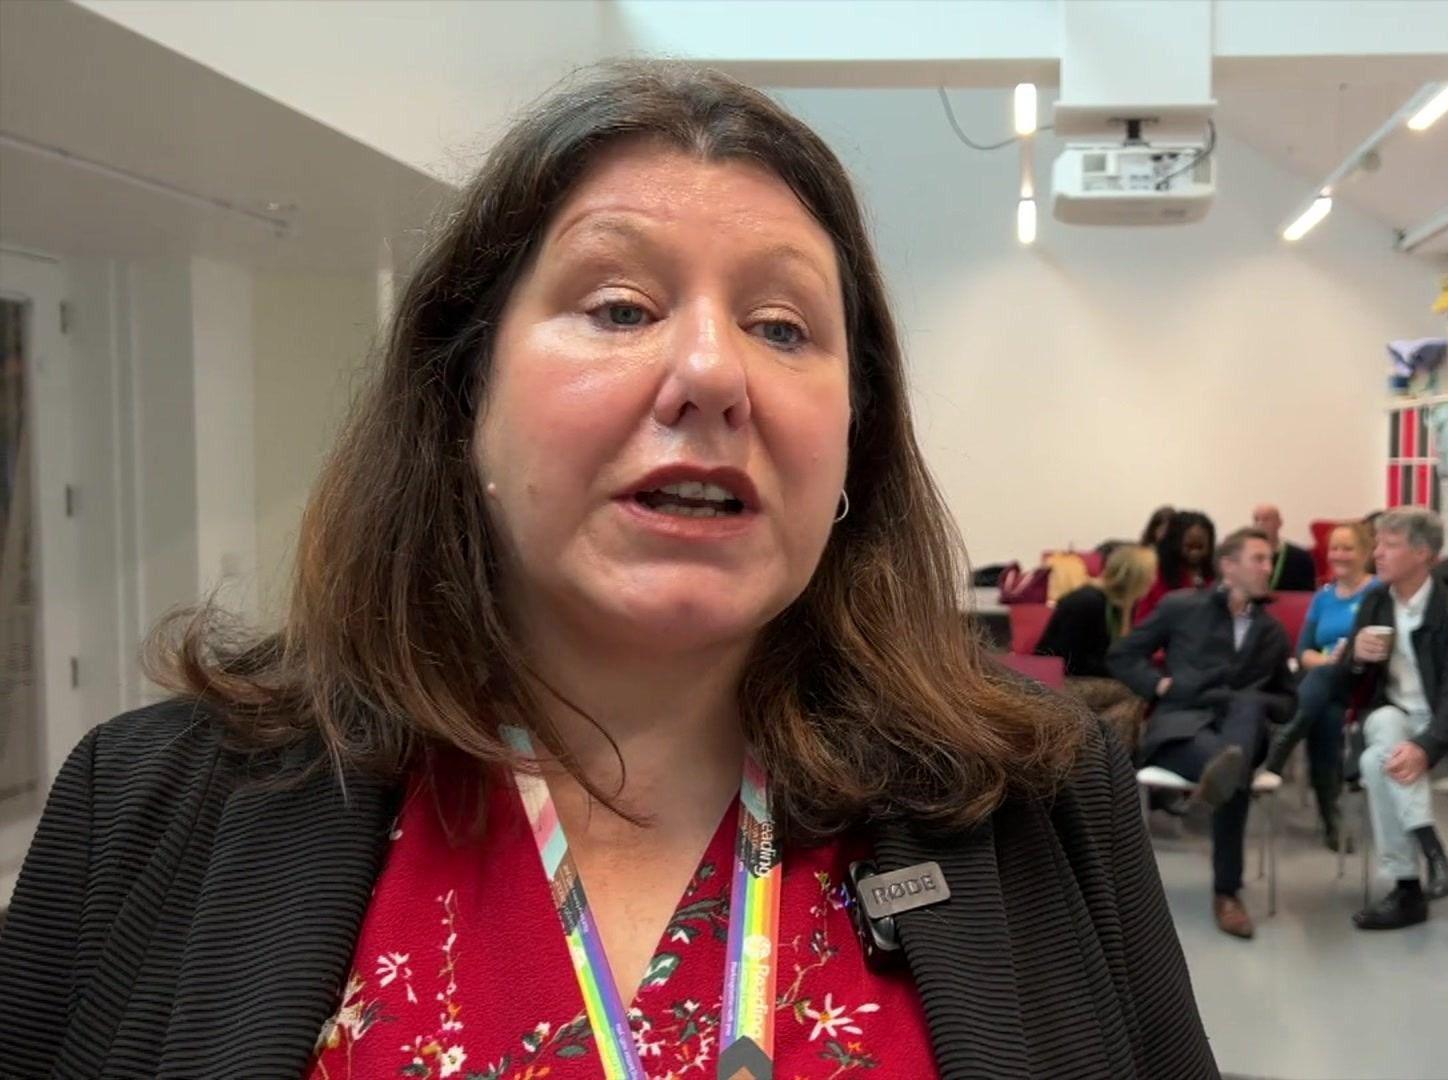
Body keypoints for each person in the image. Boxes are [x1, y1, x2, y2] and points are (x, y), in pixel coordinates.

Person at [0, 64, 1217, 1080]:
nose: (712, 371)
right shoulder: (150, 806)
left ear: (856, 439)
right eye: (621, 306)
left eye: (785, 327)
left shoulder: (1043, 802)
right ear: (461, 400)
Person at [1333, 508, 1448, 931]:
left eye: (1389, 545)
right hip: (1395, 723)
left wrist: (1426, 747)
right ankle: (1432, 853)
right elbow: (1347, 685)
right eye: (1377, 544)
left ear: (1422, 554)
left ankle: (1408, 889)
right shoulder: (1376, 601)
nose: (1376, 553)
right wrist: (1357, 659)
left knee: (1374, 761)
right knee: (1383, 722)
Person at [1110, 528, 1297, 941]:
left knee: (1246, 715)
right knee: (1233, 768)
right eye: (1259, 559)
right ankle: (1226, 893)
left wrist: (1262, 703)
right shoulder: (1181, 607)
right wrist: (1158, 686)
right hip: (1182, 728)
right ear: (1228, 565)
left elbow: (1288, 700)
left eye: (1270, 559)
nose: (1269, 567)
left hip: (1243, 726)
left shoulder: (1271, 631)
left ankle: (1224, 774)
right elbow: (1123, 654)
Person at [1264, 520, 1377, 849]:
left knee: (1323, 685)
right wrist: (1328, 663)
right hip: (1326, 684)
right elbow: (1302, 652)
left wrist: (1338, 661)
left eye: (1348, 548)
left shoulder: (1377, 593)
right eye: (1334, 548)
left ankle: (1280, 745)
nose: (1339, 555)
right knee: (1325, 714)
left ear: (1365, 552)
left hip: (1364, 681)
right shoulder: (1323, 597)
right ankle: (1331, 817)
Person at [1036, 544, 1157, 680]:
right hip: (1059, 678)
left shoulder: (1124, 603)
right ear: (1135, 578)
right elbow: (1071, 661)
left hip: (1090, 674)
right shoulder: (1086, 603)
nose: (1153, 580)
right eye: (1151, 574)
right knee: (1135, 693)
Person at [1135, 510, 1217, 623]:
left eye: (1200, 547)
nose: (1195, 553)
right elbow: (1143, 624)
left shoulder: (1216, 576)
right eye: (1190, 546)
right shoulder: (1155, 577)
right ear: (1175, 542)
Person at [1252, 503, 1317, 592]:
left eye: (1266, 519)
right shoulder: (1244, 557)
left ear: (1279, 523)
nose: (1260, 524)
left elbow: (1306, 596)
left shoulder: (1300, 557)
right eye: (1256, 520)